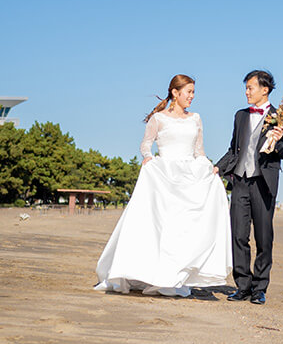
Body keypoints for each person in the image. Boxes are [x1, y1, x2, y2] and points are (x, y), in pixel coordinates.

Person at [95, 74, 232, 296]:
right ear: (175, 93)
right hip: (165, 175)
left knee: (183, 228)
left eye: (194, 92)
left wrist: (208, 169)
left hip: (189, 175)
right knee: (162, 226)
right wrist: (148, 158)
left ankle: (175, 274)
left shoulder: (196, 118)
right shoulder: (158, 119)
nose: (192, 96)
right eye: (188, 92)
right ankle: (153, 272)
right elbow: (146, 144)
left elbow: (199, 151)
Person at [214, 69, 283, 305]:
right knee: (238, 235)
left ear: (264, 89)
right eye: (246, 88)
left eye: (250, 87)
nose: (246, 92)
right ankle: (242, 286)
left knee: (264, 237)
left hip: (263, 183)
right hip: (240, 181)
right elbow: (233, 149)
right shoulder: (239, 116)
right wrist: (216, 168)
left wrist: (276, 143)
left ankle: (259, 288)